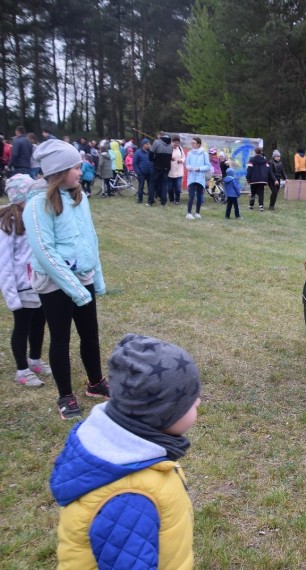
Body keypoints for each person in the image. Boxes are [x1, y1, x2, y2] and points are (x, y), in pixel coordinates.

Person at [50, 334, 201, 568]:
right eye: (191, 401)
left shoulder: (129, 452)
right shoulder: (130, 499)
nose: (198, 402)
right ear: (161, 414)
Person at [24, 139, 109, 419]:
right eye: (75, 166)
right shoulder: (37, 205)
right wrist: (73, 287)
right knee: (60, 338)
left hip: (82, 279)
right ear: (59, 171)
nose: (80, 169)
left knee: (90, 334)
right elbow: (45, 252)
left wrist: (94, 277)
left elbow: (89, 238)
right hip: (55, 284)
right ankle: (65, 395)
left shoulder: (79, 196)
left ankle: (95, 383)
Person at [0, 174, 49, 388]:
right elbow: (4, 261)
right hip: (21, 288)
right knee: (22, 326)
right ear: (22, 197)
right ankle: (22, 369)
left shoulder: (34, 216)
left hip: (38, 284)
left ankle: (35, 359)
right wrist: (11, 296)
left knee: (39, 323)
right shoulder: (8, 222)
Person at [183, 137, 210, 219]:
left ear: (198, 144)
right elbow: (186, 164)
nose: (192, 144)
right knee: (191, 195)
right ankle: (188, 213)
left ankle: (197, 212)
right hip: (191, 177)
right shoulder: (190, 153)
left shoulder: (204, 154)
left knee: (199, 195)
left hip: (200, 177)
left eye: (194, 143)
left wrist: (199, 168)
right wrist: (189, 167)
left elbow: (208, 166)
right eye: (192, 143)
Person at [148, 133, 172, 207]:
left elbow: (151, 153)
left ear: (160, 136)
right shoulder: (170, 145)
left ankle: (150, 201)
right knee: (164, 185)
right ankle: (163, 202)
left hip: (157, 166)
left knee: (152, 184)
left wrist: (153, 160)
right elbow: (170, 156)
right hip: (166, 167)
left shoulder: (157, 142)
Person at [246, 147, 271, 212]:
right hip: (262, 179)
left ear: (255, 152)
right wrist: (266, 178)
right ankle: (261, 206)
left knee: (253, 192)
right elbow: (268, 169)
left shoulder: (251, 159)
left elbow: (249, 169)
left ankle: (251, 205)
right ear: (261, 152)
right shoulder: (265, 160)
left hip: (253, 179)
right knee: (261, 193)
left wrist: (248, 178)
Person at [133, 138, 153, 204]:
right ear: (143, 144)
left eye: (149, 144)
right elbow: (135, 163)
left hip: (150, 173)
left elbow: (152, 161)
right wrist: (138, 172)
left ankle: (151, 199)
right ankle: (140, 199)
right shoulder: (138, 152)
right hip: (141, 173)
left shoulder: (150, 152)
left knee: (150, 187)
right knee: (141, 186)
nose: (148, 145)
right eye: (147, 144)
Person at [167, 136, 184, 204]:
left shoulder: (180, 148)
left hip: (179, 171)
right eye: (175, 143)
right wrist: (170, 158)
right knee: (170, 188)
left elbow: (183, 157)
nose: (176, 144)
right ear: (172, 142)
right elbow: (165, 157)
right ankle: (171, 199)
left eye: (177, 143)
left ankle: (177, 200)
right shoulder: (168, 148)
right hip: (170, 171)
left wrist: (181, 160)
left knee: (178, 187)